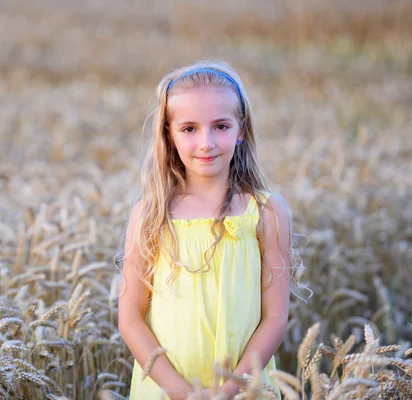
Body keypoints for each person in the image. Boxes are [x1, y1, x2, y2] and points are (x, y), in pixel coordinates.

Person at [117, 60, 309, 399]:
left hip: (246, 388)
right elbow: (130, 319)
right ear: (169, 135)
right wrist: (183, 393)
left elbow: (275, 319)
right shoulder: (150, 215)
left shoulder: (265, 212)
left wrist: (230, 390)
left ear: (241, 130)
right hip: (165, 390)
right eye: (189, 129)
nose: (206, 142)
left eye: (220, 126)